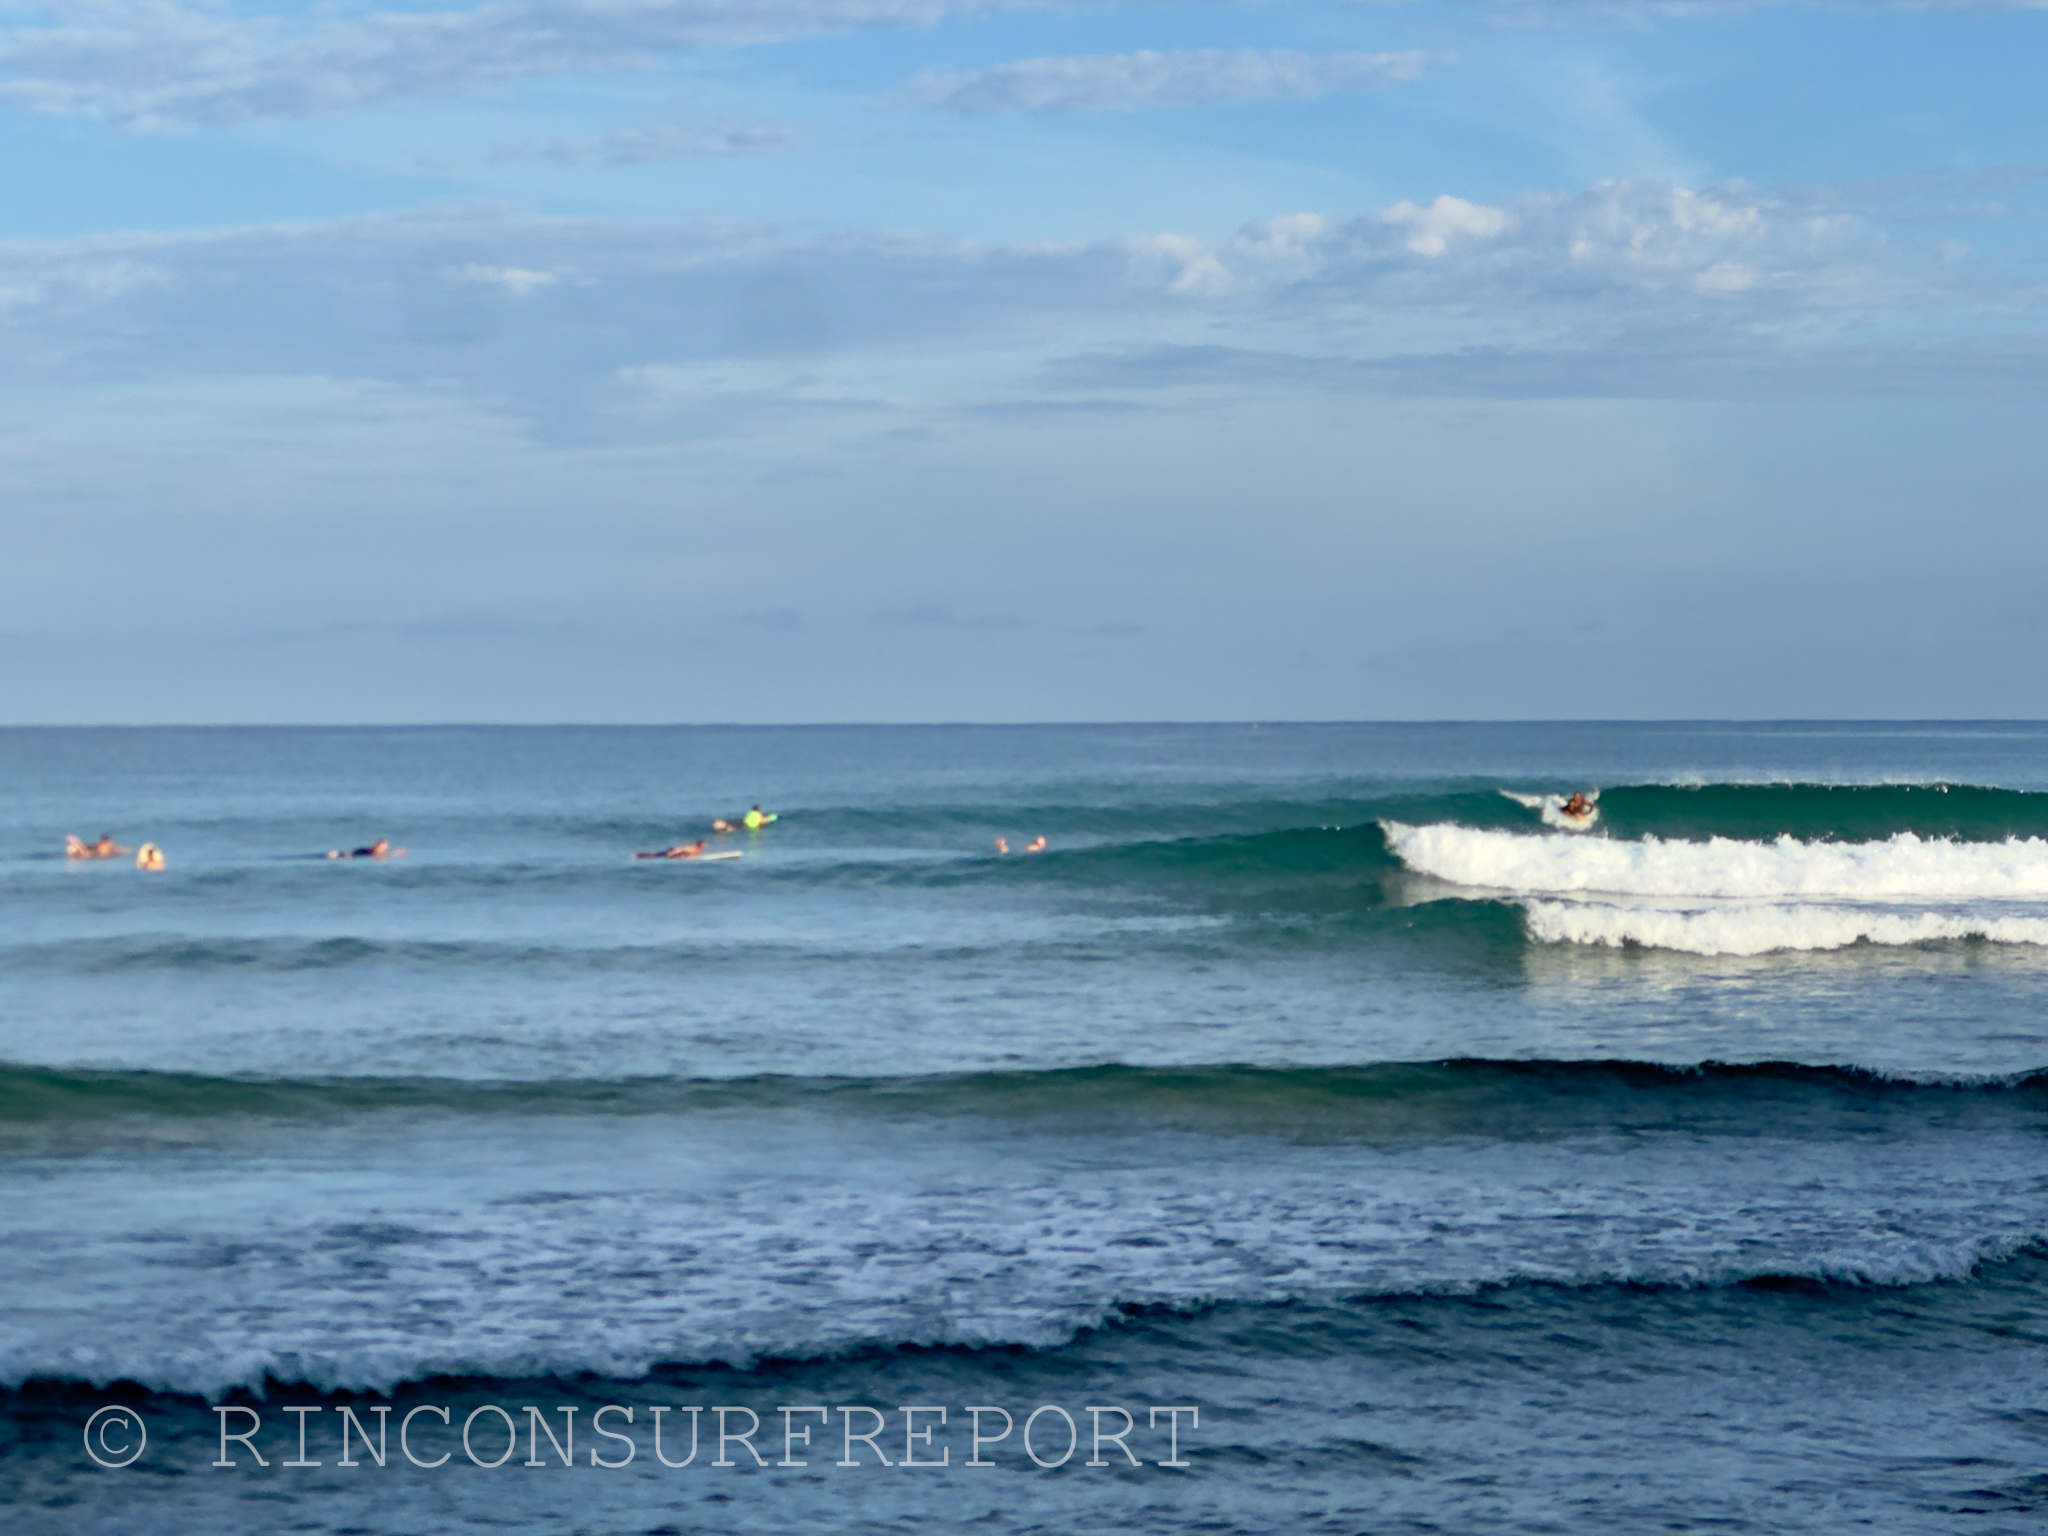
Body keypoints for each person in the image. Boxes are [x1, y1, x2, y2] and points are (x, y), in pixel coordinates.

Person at [327, 839, 401, 859]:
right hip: (358, 854)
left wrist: (397, 853)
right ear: (377, 846)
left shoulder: (384, 853)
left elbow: (389, 853)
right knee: (348, 854)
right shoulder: (369, 851)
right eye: (383, 845)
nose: (385, 847)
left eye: (386, 846)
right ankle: (336, 854)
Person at [635, 841, 709, 859]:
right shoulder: (692, 848)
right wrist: (672, 852)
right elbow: (680, 848)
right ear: (700, 845)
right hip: (673, 852)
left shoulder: (698, 850)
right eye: (704, 845)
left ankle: (639, 855)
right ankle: (638, 855)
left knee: (657, 855)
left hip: (675, 854)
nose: (705, 847)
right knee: (656, 855)